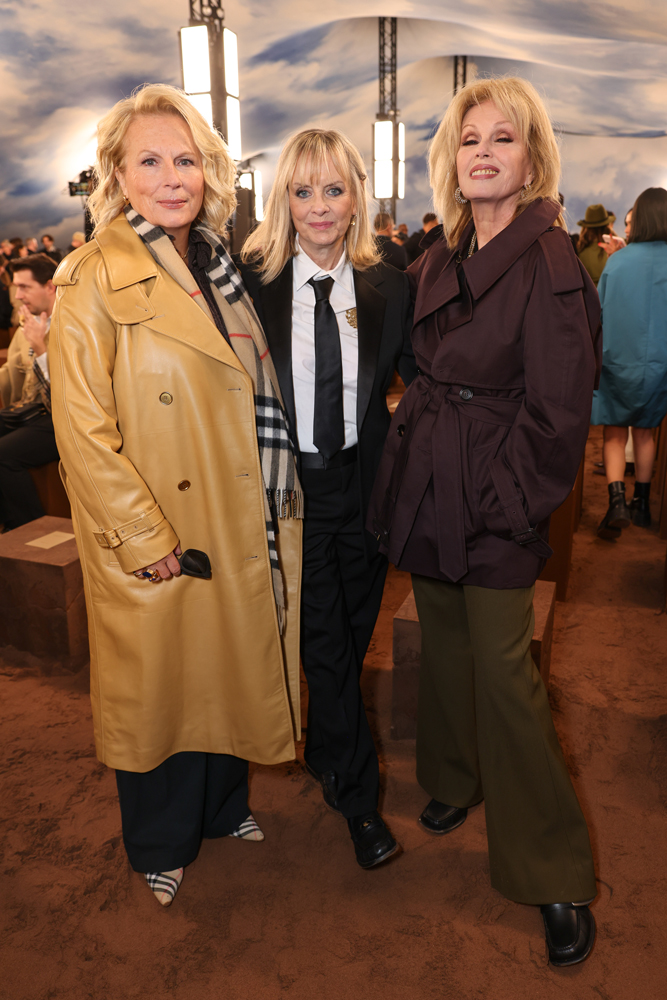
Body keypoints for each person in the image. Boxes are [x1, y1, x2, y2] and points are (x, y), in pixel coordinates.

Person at [49, 83, 303, 907]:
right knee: (162, 688)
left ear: (210, 170)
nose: (170, 176)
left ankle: (224, 807)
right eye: (149, 160)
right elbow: (82, 431)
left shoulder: (222, 266)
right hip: (160, 524)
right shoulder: (92, 275)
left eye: (185, 159)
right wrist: (141, 535)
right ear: (117, 176)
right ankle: (159, 840)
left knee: (225, 667)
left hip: (234, 510)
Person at [368, 76, 600, 966]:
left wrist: (506, 506)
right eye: (469, 140)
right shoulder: (440, 251)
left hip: (496, 487)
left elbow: (560, 414)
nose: (482, 153)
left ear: (530, 156)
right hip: (433, 470)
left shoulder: (549, 263)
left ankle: (550, 869)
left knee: (506, 674)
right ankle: (452, 779)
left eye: (501, 139)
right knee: (446, 640)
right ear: (450, 158)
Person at [239, 127, 416, 870]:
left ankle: (325, 748)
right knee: (327, 647)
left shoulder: (389, 284)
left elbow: (409, 382)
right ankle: (358, 804)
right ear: (285, 198)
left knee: (352, 629)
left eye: (333, 189)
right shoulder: (251, 281)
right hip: (291, 492)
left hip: (363, 486)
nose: (318, 206)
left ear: (355, 200)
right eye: (303, 190)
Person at [591, 187, 667, 537]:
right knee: (647, 432)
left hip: (618, 361)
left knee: (615, 432)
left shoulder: (618, 262)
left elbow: (599, 313)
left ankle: (616, 500)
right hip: (659, 365)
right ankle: (643, 505)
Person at [0, 254, 59, 530]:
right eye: (15, 287)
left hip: (66, 418)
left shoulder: (73, 321)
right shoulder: (31, 322)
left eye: (24, 287)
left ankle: (28, 533)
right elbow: (10, 373)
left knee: (3, 454)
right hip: (34, 411)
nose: (17, 295)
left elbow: (71, 395)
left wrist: (42, 348)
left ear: (50, 286)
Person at [575, 204, 613, 286]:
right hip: (612, 293)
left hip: (589, 296)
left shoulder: (579, 251)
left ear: (586, 227)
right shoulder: (617, 247)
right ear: (607, 225)